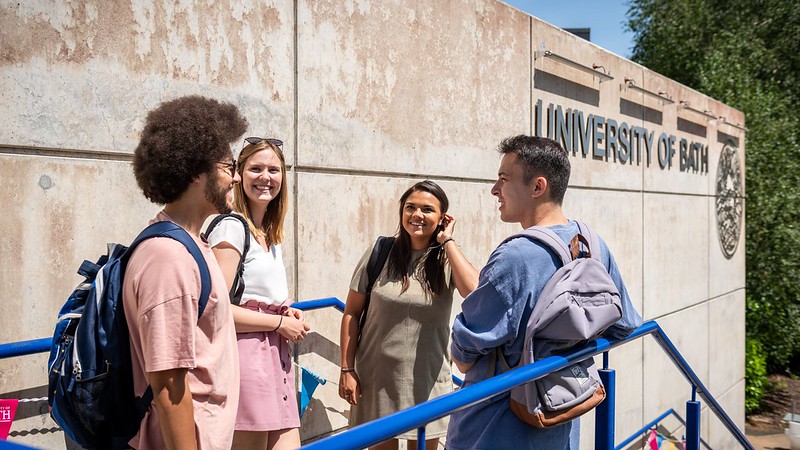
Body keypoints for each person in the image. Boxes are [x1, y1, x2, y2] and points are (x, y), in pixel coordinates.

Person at [447, 136, 643, 450]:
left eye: (503, 179)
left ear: (538, 187)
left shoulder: (515, 257)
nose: (494, 190)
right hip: (559, 418)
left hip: (492, 429)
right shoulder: (592, 244)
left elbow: (463, 354)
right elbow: (624, 325)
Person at [123, 95, 248, 449]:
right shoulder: (169, 257)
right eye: (228, 167)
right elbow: (168, 384)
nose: (236, 178)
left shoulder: (194, 244)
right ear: (196, 172)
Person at [339, 180, 480, 450]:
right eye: (410, 207)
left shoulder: (446, 259)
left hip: (428, 380)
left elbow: (474, 291)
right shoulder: (380, 251)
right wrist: (347, 369)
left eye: (427, 209)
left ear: (442, 217)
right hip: (377, 378)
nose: (417, 215)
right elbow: (351, 313)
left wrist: (448, 240)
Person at [206, 137, 310, 450]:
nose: (265, 177)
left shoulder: (268, 234)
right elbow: (216, 309)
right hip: (246, 360)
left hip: (275, 360)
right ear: (239, 175)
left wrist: (287, 311)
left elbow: (261, 293)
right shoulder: (232, 228)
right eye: (256, 169)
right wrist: (279, 324)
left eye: (273, 170)